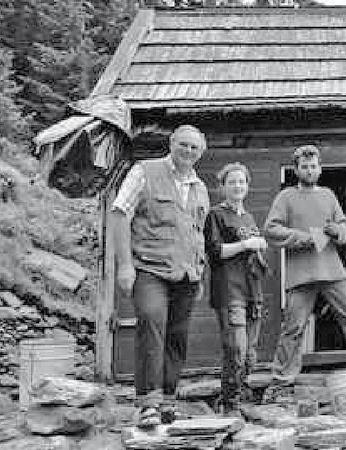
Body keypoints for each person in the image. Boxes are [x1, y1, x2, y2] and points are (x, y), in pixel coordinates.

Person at [112, 124, 210, 428]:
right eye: (183, 144)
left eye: (194, 147)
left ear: (201, 152)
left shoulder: (200, 187)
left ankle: (168, 399)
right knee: (153, 323)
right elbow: (119, 213)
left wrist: (200, 271)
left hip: (187, 275)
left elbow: (198, 234)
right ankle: (148, 404)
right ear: (171, 143)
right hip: (148, 268)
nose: (188, 151)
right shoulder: (145, 172)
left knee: (177, 337)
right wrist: (125, 265)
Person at [262, 144, 346, 400]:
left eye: (313, 166)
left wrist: (339, 231)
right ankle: (282, 380)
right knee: (293, 328)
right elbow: (271, 229)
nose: (310, 170)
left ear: (320, 168)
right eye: (305, 167)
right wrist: (303, 238)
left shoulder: (328, 195)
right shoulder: (286, 197)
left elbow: (344, 224)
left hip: (332, 270)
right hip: (301, 274)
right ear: (296, 169)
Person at [204, 162, 268, 415]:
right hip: (230, 291)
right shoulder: (216, 214)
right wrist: (247, 244)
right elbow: (215, 252)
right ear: (222, 187)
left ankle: (236, 398)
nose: (237, 186)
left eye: (242, 182)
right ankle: (230, 405)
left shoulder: (248, 217)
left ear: (247, 186)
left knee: (250, 355)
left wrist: (258, 247)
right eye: (232, 182)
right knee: (236, 349)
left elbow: (251, 247)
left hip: (254, 290)